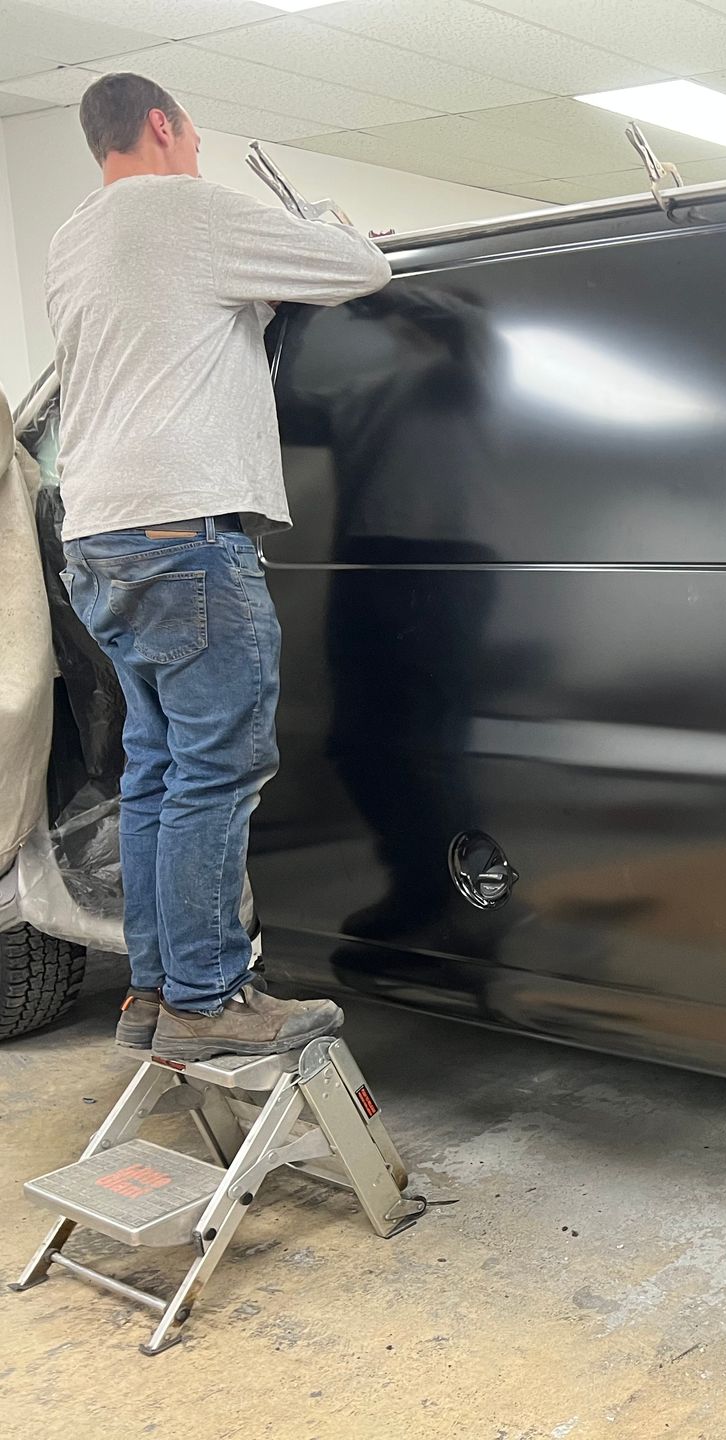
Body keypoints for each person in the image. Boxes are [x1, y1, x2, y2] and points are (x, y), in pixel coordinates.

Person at [47, 73, 392, 1060]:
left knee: (158, 768)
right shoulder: (189, 211)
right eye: (193, 138)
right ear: (162, 126)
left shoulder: (76, 236)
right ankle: (208, 999)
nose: (197, 154)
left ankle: (152, 993)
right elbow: (357, 268)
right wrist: (322, 216)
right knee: (217, 769)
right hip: (182, 540)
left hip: (102, 544)